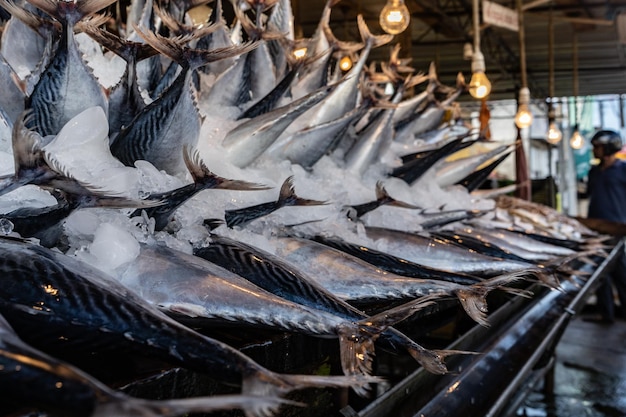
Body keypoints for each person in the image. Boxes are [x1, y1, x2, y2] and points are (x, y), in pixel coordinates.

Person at [586, 129, 626, 324]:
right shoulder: (594, 171)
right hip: (594, 228)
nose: (594, 150)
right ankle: (606, 314)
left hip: (615, 227)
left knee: (620, 272)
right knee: (600, 274)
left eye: (598, 147)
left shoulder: (623, 169)